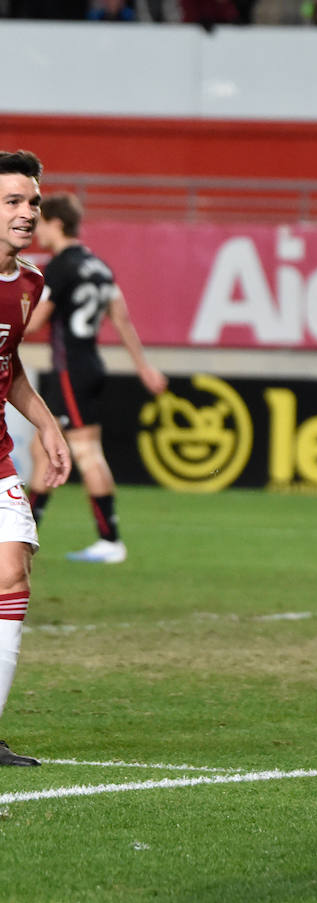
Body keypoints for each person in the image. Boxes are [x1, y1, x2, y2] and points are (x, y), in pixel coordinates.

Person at [26, 192, 168, 564]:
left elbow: (39, 319)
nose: (36, 229)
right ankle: (24, 534)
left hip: (71, 368)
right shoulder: (100, 267)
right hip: (89, 364)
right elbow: (121, 319)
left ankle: (109, 540)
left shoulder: (60, 266)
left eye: (40, 221)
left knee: (86, 453)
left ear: (56, 223)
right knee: (42, 449)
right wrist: (144, 368)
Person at [0, 150, 73, 767]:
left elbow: (10, 365)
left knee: (13, 576)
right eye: (12, 202)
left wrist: (49, 426)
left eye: (33, 203)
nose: (27, 213)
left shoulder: (30, 283)